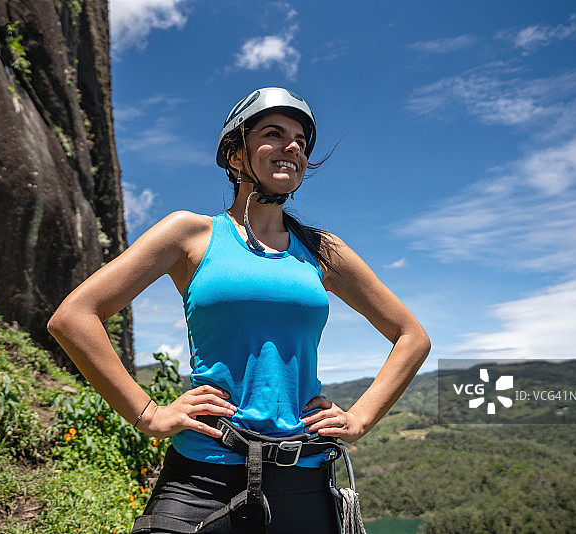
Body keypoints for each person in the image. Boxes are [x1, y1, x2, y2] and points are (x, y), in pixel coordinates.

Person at [47, 87, 431, 534]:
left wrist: (360, 418)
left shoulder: (323, 251)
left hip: (305, 481)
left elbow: (412, 336)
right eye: (274, 133)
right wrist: (148, 413)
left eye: (301, 142)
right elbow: (74, 317)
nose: (293, 147)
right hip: (202, 477)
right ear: (235, 154)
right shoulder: (190, 234)